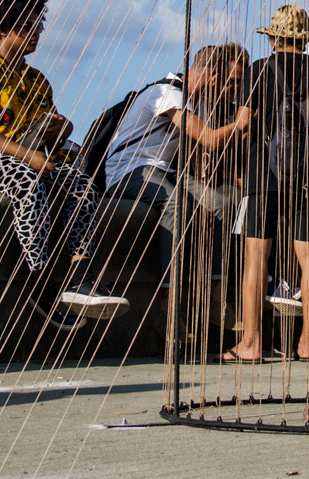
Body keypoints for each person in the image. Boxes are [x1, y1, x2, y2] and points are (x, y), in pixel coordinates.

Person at [0, 0, 128, 320]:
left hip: (21, 158)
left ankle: (80, 276)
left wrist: (61, 129)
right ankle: (38, 280)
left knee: (79, 185)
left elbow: (48, 132)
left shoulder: (37, 81)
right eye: (26, 27)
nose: (35, 33)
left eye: (37, 25)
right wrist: (27, 156)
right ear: (2, 28)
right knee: (26, 178)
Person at [219, 5, 309, 364]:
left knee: (257, 254)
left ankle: (251, 343)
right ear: (305, 39)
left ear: (271, 37)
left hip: (262, 171)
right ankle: (306, 343)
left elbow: (241, 125)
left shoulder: (259, 70)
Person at [99, 42, 251, 302]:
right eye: (228, 83)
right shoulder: (166, 93)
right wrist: (239, 123)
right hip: (127, 170)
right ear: (214, 77)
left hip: (163, 170)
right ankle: (168, 300)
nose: (230, 90)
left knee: (222, 205)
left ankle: (216, 297)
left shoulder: (197, 103)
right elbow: (210, 139)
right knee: (176, 204)